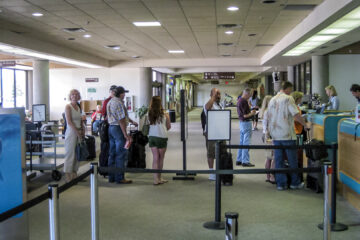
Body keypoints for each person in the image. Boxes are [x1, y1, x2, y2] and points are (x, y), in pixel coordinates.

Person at [267, 81, 310, 191]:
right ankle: (295, 183)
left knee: (279, 160)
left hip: (275, 135)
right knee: (292, 160)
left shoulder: (272, 99)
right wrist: (305, 125)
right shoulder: (288, 98)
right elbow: (296, 115)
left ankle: (281, 184)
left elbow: (268, 116)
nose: (291, 92)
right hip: (287, 134)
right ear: (288, 88)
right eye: (291, 89)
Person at [107, 86, 138, 184]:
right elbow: (121, 120)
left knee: (112, 154)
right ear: (121, 94)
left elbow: (121, 117)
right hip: (118, 129)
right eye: (124, 93)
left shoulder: (110, 101)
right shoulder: (119, 103)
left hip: (111, 128)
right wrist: (125, 134)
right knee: (121, 154)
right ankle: (120, 178)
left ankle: (111, 177)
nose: (125, 95)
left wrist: (132, 121)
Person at [148, 96, 171, 185]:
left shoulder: (149, 113)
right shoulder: (165, 114)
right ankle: (159, 178)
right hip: (162, 137)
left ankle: (155, 179)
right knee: (161, 158)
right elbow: (169, 126)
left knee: (155, 158)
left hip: (152, 137)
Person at [64, 89, 85, 182]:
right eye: (73, 94)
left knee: (77, 154)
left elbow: (80, 120)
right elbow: (69, 121)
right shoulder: (68, 107)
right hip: (71, 132)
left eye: (77, 94)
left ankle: (74, 173)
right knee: (70, 154)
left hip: (79, 131)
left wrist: (83, 130)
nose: (75, 96)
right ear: (70, 96)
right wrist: (77, 132)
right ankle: (68, 176)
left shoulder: (78, 106)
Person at [204, 88, 223, 180]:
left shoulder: (219, 105)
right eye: (216, 94)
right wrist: (213, 96)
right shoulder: (209, 104)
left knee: (222, 152)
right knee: (211, 153)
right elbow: (207, 107)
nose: (218, 95)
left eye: (219, 94)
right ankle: (211, 173)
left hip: (221, 132)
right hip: (211, 132)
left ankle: (219, 172)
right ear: (211, 95)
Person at [236, 88, 256, 167]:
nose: (250, 97)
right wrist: (253, 113)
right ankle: (245, 161)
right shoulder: (244, 101)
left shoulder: (239, 100)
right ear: (247, 94)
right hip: (246, 123)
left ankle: (239, 159)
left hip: (241, 123)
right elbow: (245, 115)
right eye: (250, 95)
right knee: (246, 143)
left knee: (242, 142)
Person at [259, 95, 275, 184]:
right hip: (270, 135)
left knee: (268, 157)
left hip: (265, 134)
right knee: (274, 157)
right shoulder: (269, 111)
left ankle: (268, 176)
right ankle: (272, 177)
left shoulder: (264, 111)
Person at [291, 91, 306, 182]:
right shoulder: (294, 107)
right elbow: (295, 119)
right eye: (300, 98)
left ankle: (298, 177)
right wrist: (303, 120)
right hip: (297, 132)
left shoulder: (295, 107)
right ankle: (297, 178)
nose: (301, 99)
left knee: (298, 154)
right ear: (297, 98)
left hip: (297, 131)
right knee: (298, 155)